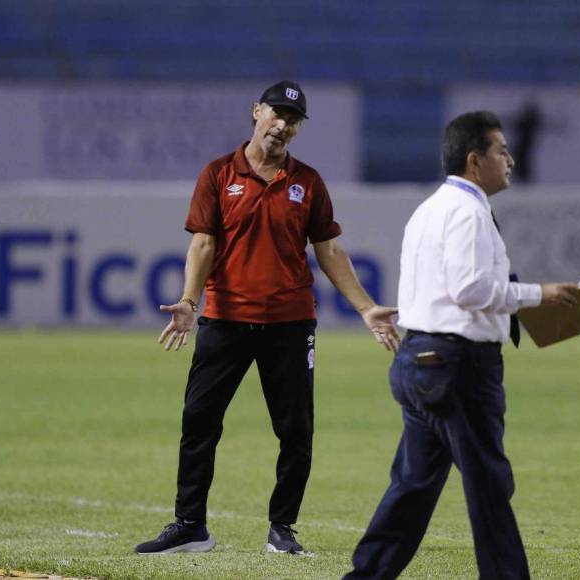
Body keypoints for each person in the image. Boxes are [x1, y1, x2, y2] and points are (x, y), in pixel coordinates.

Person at [135, 80, 400, 556]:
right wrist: (190, 303)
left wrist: (365, 307)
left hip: (290, 323)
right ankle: (190, 525)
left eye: (292, 119)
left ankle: (283, 529)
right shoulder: (218, 174)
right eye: (275, 113)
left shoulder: (309, 183)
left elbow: (331, 251)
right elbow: (203, 244)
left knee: (296, 431)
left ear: (298, 128)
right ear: (256, 111)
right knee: (199, 422)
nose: (282, 124)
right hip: (226, 318)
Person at [343, 111, 578, 579]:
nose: (510, 158)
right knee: (489, 485)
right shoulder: (469, 212)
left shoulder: (429, 209)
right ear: (475, 160)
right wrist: (540, 294)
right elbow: (469, 290)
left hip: (421, 361)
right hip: (458, 365)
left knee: (413, 486)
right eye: (501, 150)